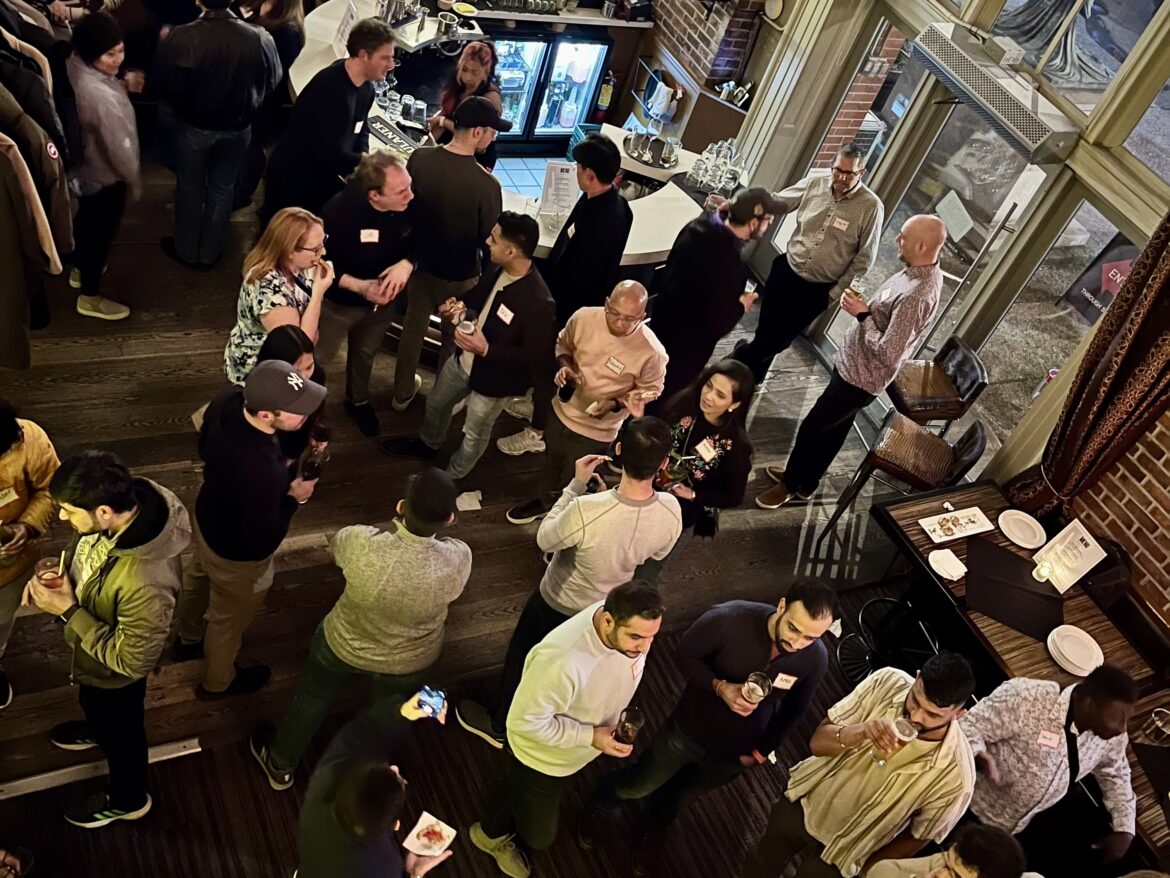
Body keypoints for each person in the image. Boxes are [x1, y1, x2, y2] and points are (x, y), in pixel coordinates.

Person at [457, 418, 680, 748]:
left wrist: (575, 487)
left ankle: (501, 726)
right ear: (663, 463)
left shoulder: (585, 508)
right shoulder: (672, 510)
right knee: (570, 669)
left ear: (618, 450)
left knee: (524, 657)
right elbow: (654, 554)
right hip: (605, 610)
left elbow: (546, 539)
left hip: (558, 603)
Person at [582, 582, 837, 868]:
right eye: (793, 628)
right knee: (641, 783)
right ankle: (604, 799)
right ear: (781, 606)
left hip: (734, 753)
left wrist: (761, 751)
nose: (798, 643)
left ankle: (649, 828)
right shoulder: (728, 619)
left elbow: (795, 709)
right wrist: (719, 686)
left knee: (677, 799)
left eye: (810, 637)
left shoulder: (815, 658)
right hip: (688, 728)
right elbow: (683, 655)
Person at [250, 468, 471, 788]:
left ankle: (280, 765)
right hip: (410, 659)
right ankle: (380, 775)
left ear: (400, 507)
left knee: (312, 697)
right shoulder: (460, 557)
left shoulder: (361, 541)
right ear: (450, 518)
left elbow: (337, 549)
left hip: (343, 643)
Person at [22, 451, 191, 828]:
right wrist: (64, 572)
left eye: (67, 510)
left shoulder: (146, 581)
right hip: (94, 659)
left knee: (124, 737)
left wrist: (67, 610)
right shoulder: (125, 509)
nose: (63, 518)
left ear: (102, 512)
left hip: (116, 674)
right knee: (94, 704)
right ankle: (97, 728)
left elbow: (132, 661)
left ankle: (129, 798)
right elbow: (90, 553)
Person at [470, 583, 664, 878]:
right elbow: (523, 722)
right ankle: (488, 835)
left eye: (652, 637)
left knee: (524, 793)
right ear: (608, 620)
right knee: (539, 835)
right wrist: (590, 737)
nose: (644, 648)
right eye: (636, 637)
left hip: (573, 753)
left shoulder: (625, 632)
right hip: (540, 758)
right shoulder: (561, 661)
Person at [755, 214, 947, 510]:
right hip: (853, 365)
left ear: (922, 246)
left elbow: (889, 352)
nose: (898, 240)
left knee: (813, 428)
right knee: (832, 430)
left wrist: (862, 315)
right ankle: (805, 482)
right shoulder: (917, 271)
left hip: (860, 378)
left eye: (904, 237)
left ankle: (790, 484)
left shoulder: (916, 295)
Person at [741, 653, 977, 878]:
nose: (916, 717)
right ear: (916, 678)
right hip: (805, 801)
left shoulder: (957, 779)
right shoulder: (888, 681)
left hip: (847, 852)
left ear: (959, 714)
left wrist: (870, 868)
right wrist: (860, 732)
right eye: (915, 700)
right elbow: (817, 743)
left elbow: (918, 836)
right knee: (762, 862)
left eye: (932, 715)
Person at [174, 360, 326, 698]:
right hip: (237, 554)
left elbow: (203, 434)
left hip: (207, 515)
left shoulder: (231, 399)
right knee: (228, 621)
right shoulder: (260, 471)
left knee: (197, 577)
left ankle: (187, 638)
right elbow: (264, 538)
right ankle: (218, 682)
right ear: (265, 416)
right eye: (297, 411)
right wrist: (293, 498)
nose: (305, 415)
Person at [380, 212, 554, 481]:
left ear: (511, 250)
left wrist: (486, 350)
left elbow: (534, 358)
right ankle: (428, 444)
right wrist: (459, 303)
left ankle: (452, 477)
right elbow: (479, 296)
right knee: (436, 404)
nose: (487, 241)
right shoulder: (497, 266)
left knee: (474, 434)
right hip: (462, 361)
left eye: (493, 239)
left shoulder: (539, 301)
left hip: (494, 382)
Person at [497, 132, 632, 457]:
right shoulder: (615, 203)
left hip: (571, 308)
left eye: (578, 168)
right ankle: (535, 405)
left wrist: (554, 309)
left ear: (589, 173)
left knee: (549, 366)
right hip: (570, 303)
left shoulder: (601, 221)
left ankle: (537, 431)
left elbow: (581, 275)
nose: (575, 172)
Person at [504, 281, 668, 525]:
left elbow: (652, 390)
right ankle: (545, 502)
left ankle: (563, 522)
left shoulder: (652, 352)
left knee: (574, 478)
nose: (620, 323)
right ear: (606, 303)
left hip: (597, 431)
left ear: (643, 316)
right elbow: (563, 344)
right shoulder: (584, 317)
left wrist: (615, 403)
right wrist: (565, 367)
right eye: (614, 314)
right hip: (560, 410)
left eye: (629, 319)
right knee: (551, 462)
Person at [726, 143, 884, 386]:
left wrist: (832, 295)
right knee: (765, 330)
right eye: (837, 170)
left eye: (849, 173)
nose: (841, 177)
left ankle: (735, 362)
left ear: (861, 173)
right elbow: (779, 202)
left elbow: (864, 261)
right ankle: (753, 378)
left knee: (780, 340)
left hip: (818, 290)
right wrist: (742, 201)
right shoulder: (815, 182)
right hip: (786, 270)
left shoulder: (870, 207)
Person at [959, 665, 1138, 875]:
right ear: (1089, 704)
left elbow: (1116, 774)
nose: (1122, 728)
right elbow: (967, 727)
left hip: (1014, 830)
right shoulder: (1026, 697)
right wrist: (978, 754)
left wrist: (1125, 828)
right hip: (966, 805)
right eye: (1118, 719)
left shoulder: (1112, 737)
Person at [391, 96, 507, 413]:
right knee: (452, 341)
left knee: (413, 331)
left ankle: (401, 394)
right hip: (461, 276)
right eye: (492, 131)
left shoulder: (420, 158)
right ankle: (440, 403)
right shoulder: (487, 185)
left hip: (420, 267)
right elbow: (490, 239)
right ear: (478, 132)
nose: (494, 137)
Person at [151, 0, 282, 268]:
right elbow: (273, 80)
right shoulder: (259, 37)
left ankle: (187, 252)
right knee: (223, 189)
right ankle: (211, 253)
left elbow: (163, 85)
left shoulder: (182, 36)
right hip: (238, 127)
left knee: (189, 188)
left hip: (194, 127)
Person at [315, 150, 417, 437]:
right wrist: (361, 286)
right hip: (340, 304)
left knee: (365, 353)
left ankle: (357, 400)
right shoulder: (337, 213)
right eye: (401, 191)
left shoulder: (410, 200)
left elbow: (428, 236)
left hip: (381, 305)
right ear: (375, 196)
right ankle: (303, 406)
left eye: (409, 186)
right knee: (317, 355)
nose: (411, 195)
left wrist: (408, 264)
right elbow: (321, 266)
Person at [295, 702, 455, 878]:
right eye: (399, 779)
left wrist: (401, 712)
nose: (394, 768)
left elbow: (360, 732)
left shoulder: (327, 780)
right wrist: (414, 874)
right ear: (394, 825)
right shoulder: (385, 867)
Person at [648, 188, 774, 408]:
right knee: (663, 395)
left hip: (662, 319)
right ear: (753, 224)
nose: (769, 224)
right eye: (767, 220)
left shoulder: (697, 226)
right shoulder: (731, 266)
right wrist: (740, 306)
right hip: (686, 345)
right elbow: (719, 324)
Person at [632, 360, 755, 586]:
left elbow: (734, 497)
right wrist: (641, 421)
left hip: (682, 512)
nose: (708, 396)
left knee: (645, 575)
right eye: (708, 386)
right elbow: (655, 436)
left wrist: (693, 495)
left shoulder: (736, 446)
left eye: (720, 395)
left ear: (734, 404)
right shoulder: (684, 405)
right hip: (646, 490)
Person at [261, 18, 395, 222]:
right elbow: (329, 153)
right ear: (363, 55)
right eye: (385, 58)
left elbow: (362, 125)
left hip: (318, 184)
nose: (391, 65)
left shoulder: (365, 87)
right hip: (293, 186)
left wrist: (363, 153)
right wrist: (366, 163)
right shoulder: (330, 90)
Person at [65, 12, 139, 321]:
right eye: (110, 53)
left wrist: (120, 83)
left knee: (86, 226)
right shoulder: (97, 95)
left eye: (120, 50)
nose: (118, 59)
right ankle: (90, 297)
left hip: (82, 174)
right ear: (93, 51)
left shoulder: (73, 65)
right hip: (105, 176)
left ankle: (80, 270)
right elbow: (119, 146)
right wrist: (133, 178)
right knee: (100, 234)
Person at [223, 207, 334, 385]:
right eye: (315, 249)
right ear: (289, 251)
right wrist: (318, 293)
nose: (323, 253)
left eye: (323, 242)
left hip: (283, 364)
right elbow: (300, 345)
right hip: (262, 372)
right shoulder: (270, 290)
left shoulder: (295, 265)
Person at [0, 399, 59, 709]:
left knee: (1, 623)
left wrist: (28, 525)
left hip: (12, 567)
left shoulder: (29, 438)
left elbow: (50, 488)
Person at [232, 0, 305, 209]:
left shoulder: (286, 32)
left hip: (264, 104)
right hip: (254, 100)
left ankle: (241, 195)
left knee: (253, 149)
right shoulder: (268, 14)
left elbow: (273, 77)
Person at [254, 325, 327, 464]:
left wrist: (313, 433)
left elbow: (317, 408)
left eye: (309, 366)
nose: (303, 378)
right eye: (295, 372)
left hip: (296, 441)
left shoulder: (317, 375)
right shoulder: (260, 388)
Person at [427, 41, 502, 171]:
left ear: (486, 71)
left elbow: (479, 144)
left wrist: (443, 122)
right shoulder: (459, 86)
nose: (467, 77)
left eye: (474, 72)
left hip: (476, 157)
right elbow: (447, 112)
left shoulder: (490, 98)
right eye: (464, 69)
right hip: (453, 144)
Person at [868, 824, 1028, 878]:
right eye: (946, 863)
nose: (940, 874)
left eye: (956, 876)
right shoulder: (953, 860)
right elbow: (880, 870)